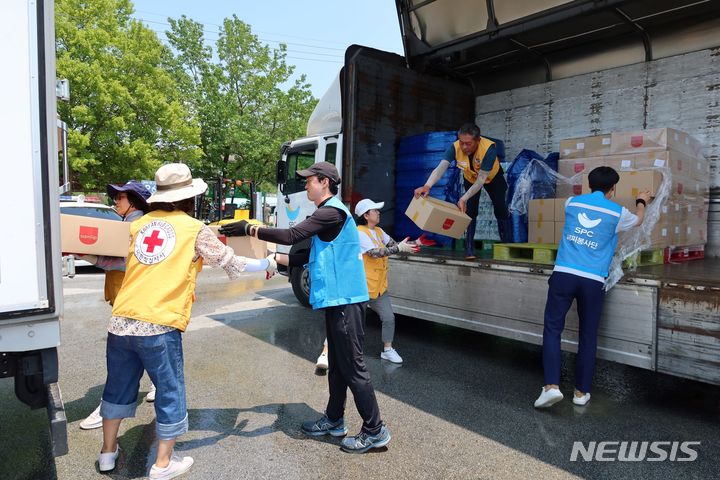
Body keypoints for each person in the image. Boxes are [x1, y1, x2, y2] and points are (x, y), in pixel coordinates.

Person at [96, 163, 277, 479]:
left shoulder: (139, 225)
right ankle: (163, 464)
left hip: (121, 320)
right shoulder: (193, 228)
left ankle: (108, 454)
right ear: (189, 198)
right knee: (169, 390)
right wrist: (266, 263)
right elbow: (228, 260)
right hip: (159, 322)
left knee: (117, 387)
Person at [219, 162, 391, 454]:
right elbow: (308, 256)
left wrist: (251, 228)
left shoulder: (332, 212)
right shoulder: (328, 215)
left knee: (353, 367)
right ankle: (335, 420)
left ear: (324, 182)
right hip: (337, 302)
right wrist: (273, 261)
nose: (306, 186)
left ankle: (375, 430)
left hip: (346, 302)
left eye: (309, 181)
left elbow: (291, 236)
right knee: (338, 366)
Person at [534, 166, 652, 409]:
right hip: (592, 280)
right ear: (613, 189)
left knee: (553, 329)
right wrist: (642, 200)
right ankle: (580, 393)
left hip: (564, 274)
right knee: (588, 335)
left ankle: (551, 387)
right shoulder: (619, 212)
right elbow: (639, 221)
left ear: (589, 185)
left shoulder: (571, 203)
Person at [78, 181, 157, 430]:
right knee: (141, 348)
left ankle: (108, 409)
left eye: (121, 198)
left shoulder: (137, 226)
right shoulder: (125, 224)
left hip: (132, 299)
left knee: (125, 355)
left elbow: (124, 263)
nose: (116, 201)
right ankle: (155, 386)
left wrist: (88, 255)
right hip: (125, 296)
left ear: (134, 201)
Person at [315, 198, 418, 370]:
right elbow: (375, 253)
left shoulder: (378, 231)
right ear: (366, 215)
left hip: (378, 287)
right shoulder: (359, 232)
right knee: (344, 321)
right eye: (375, 210)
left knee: (389, 318)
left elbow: (393, 244)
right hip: (360, 287)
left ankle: (387, 349)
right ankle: (327, 351)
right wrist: (399, 248)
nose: (378, 213)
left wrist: (413, 244)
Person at [414, 123, 512, 259]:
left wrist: (463, 198)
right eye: (462, 142)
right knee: (470, 211)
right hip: (470, 177)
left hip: (492, 177)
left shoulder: (488, 150)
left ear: (478, 140)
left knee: (500, 209)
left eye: (468, 143)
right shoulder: (455, 148)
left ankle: (507, 244)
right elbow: (441, 168)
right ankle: (469, 248)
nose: (464, 147)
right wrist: (427, 186)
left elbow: (480, 181)